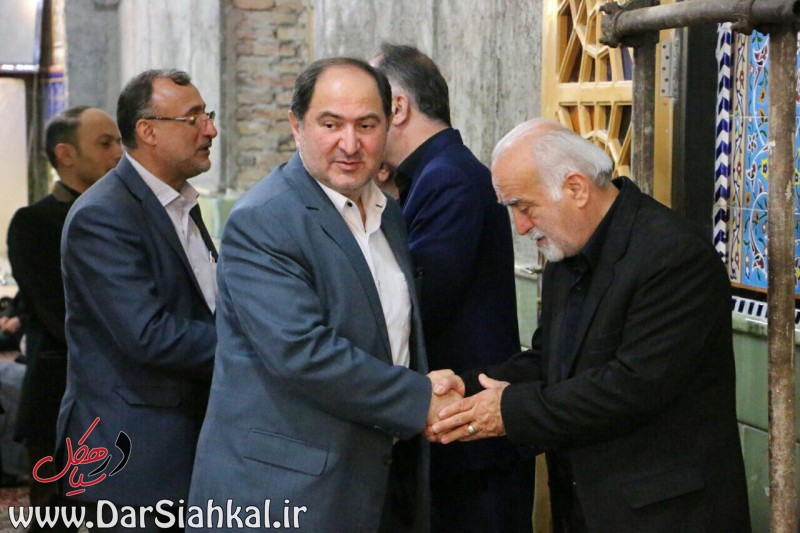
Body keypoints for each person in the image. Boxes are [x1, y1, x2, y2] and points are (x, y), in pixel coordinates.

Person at [429, 119, 751, 532]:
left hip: (665, 516)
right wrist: (463, 389)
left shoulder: (673, 256)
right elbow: (549, 362)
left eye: (524, 207)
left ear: (576, 189)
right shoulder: (567, 251)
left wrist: (508, 411)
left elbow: (630, 387)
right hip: (587, 508)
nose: (521, 227)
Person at [188, 57, 459, 533]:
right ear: (297, 126)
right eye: (331, 125)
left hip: (377, 480)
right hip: (283, 495)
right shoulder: (264, 219)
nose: (350, 144)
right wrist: (420, 399)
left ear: (389, 124)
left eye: (366, 125)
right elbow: (302, 353)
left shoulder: (388, 214)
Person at [372, 43, 534, 532]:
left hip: (470, 443)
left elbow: (415, 305)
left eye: (368, 116)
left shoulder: (449, 178)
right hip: (455, 436)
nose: (360, 137)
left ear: (398, 107)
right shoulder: (429, 175)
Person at [55, 70, 218, 531]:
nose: (210, 129)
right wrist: (257, 345)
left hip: (184, 443)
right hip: (133, 455)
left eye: (207, 115)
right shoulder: (103, 215)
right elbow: (150, 335)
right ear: (148, 131)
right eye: (193, 118)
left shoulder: (179, 203)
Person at [7, 105, 122, 531]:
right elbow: (60, 314)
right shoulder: (35, 223)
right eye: (105, 143)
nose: (118, 154)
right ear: (66, 154)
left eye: (118, 142)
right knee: (59, 517)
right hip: (61, 394)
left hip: (123, 397)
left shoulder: (125, 215)